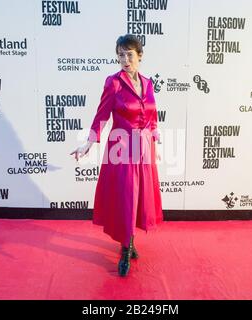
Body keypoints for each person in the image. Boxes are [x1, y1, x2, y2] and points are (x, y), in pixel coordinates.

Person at [70, 34, 163, 277]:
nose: (125, 59)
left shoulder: (148, 83)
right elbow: (101, 115)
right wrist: (88, 143)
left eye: (129, 54)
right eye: (120, 55)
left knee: (140, 197)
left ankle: (129, 241)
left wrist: (155, 137)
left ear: (139, 56)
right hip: (121, 147)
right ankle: (126, 247)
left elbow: (152, 114)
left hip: (143, 148)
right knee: (126, 198)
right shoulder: (113, 83)